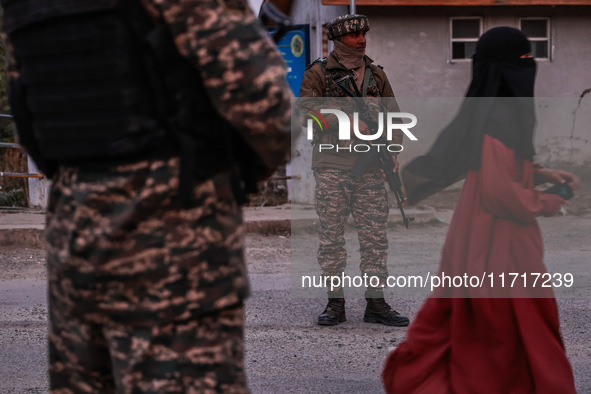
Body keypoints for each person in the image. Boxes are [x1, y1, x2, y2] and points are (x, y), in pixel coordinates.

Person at [2, 0, 292, 392]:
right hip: (177, 242)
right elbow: (268, 107)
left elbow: (28, 117)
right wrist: (230, 176)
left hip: (75, 237)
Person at [382, 27, 579, 393]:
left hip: (488, 232)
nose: (530, 65)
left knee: (482, 320)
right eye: (523, 59)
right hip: (496, 241)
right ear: (507, 66)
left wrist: (540, 174)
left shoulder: (497, 111)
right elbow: (500, 192)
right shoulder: (498, 117)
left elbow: (500, 169)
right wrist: (550, 200)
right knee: (505, 325)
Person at [299, 14, 409, 327]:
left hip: (372, 168)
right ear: (338, 39)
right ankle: (335, 304)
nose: (361, 39)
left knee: (375, 237)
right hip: (332, 166)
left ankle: (376, 303)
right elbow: (306, 116)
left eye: (363, 34)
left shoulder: (376, 74)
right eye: (354, 35)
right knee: (331, 237)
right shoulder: (318, 73)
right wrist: (344, 121)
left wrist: (393, 152)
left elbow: (394, 115)